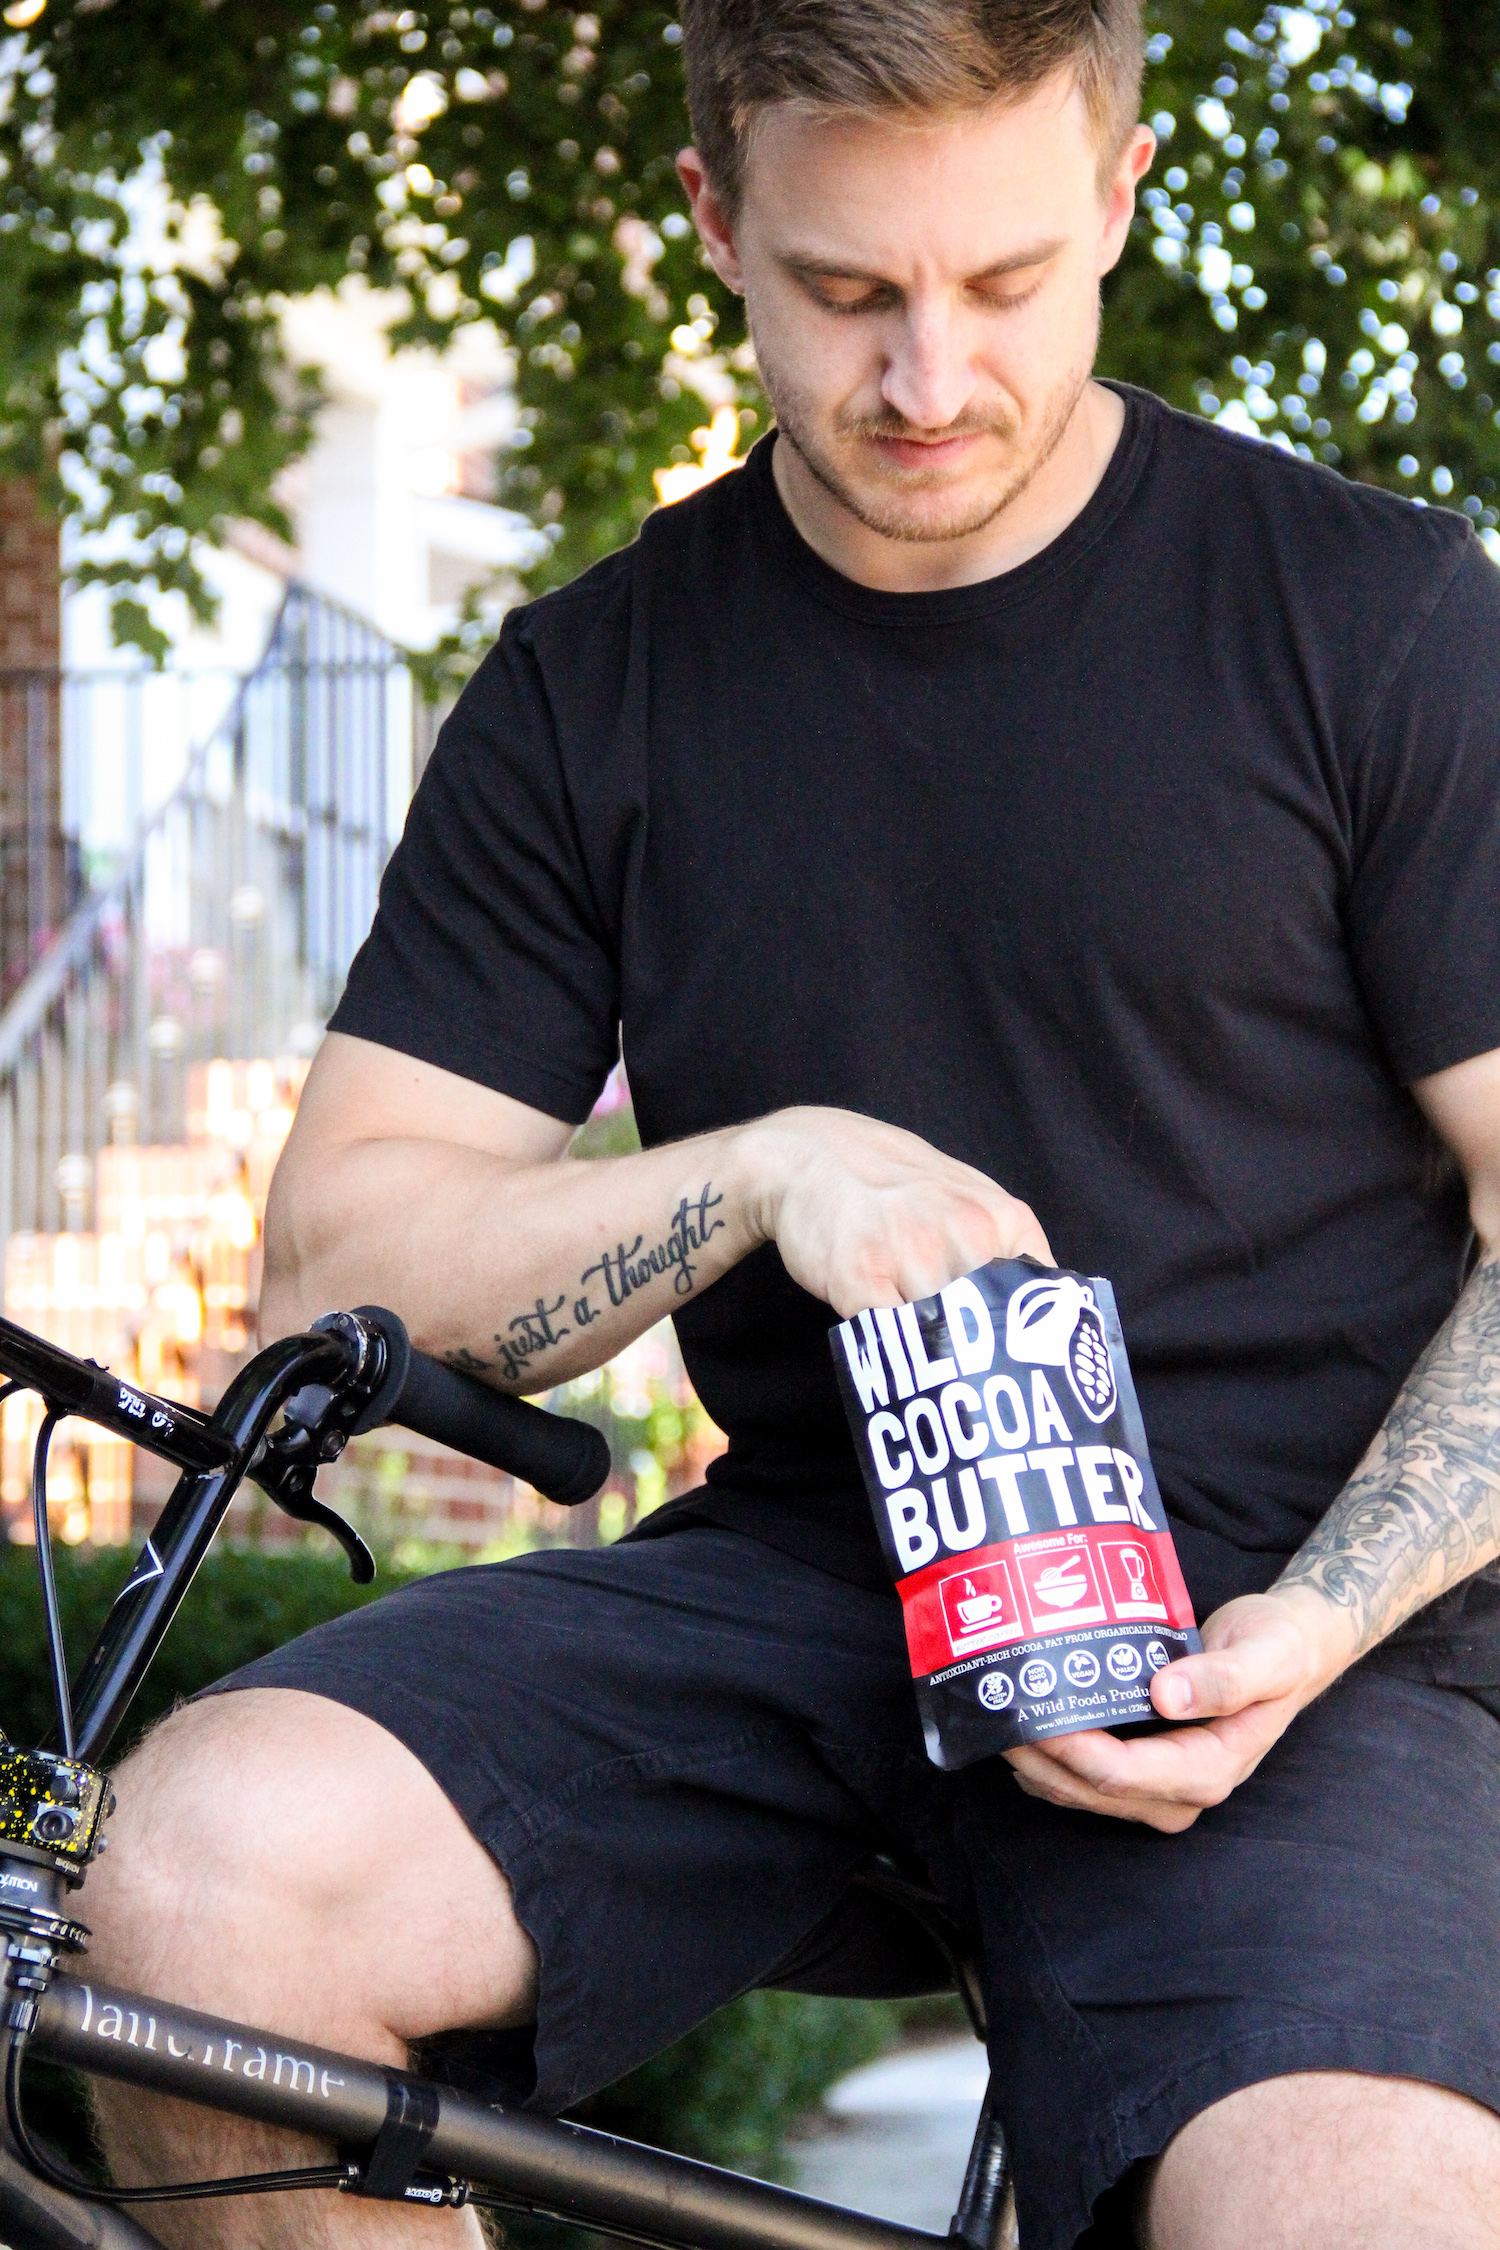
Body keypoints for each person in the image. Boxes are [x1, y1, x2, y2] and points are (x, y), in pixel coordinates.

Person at [87, 2, 1500, 2245]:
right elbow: (338, 1260)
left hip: (1301, 1647)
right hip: (804, 1595)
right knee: (190, 1903)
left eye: (1007, 283)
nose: (928, 379)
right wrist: (762, 1170)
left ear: (1123, 194)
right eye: (847, 293)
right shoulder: (595, 687)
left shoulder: (1381, 619)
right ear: (717, 223)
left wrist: (1320, 1619)